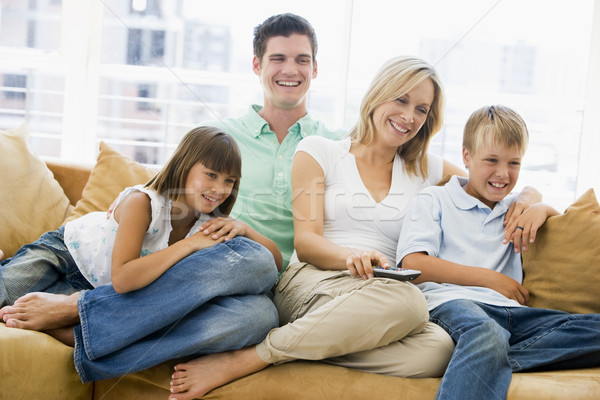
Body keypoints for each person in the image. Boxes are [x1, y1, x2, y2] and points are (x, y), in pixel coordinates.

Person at [167, 58, 541, 400]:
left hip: (378, 296)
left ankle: (312, 346)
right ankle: (255, 357)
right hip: (314, 281)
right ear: (377, 95)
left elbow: (490, 179)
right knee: (410, 302)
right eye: (401, 100)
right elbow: (307, 242)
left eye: (421, 109)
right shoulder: (320, 151)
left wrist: (531, 198)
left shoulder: (426, 167)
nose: (409, 116)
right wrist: (352, 258)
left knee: (440, 349)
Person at [0, 126, 281, 382]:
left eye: (229, 181)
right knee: (4, 293)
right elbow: (123, 277)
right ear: (184, 166)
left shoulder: (207, 224)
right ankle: (73, 316)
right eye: (210, 175)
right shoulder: (143, 202)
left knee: (261, 316)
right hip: (64, 257)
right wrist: (189, 245)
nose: (219, 189)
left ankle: (78, 329)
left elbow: (273, 262)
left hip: (97, 291)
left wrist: (244, 228)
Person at [396, 105, 600, 400]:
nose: (502, 174)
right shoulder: (435, 199)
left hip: (515, 317)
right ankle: (485, 355)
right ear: (466, 156)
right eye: (491, 160)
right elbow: (412, 264)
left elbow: (563, 223)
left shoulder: (516, 209)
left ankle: (484, 361)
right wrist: (490, 279)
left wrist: (541, 206)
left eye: (514, 163)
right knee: (487, 335)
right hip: (453, 305)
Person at [203, 13, 345, 268]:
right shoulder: (216, 136)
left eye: (302, 60)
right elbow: (165, 190)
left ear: (314, 68)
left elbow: (411, 158)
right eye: (278, 59)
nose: (290, 70)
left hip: (303, 278)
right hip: (231, 265)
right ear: (257, 65)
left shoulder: (338, 143)